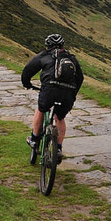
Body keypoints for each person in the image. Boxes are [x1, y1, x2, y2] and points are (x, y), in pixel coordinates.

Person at [21, 33, 84, 163]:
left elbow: (27, 71)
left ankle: (34, 138)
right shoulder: (71, 58)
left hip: (49, 90)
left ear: (47, 45)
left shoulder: (43, 56)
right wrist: (73, 93)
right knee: (59, 117)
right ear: (63, 46)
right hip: (68, 93)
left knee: (41, 109)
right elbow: (80, 78)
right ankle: (59, 148)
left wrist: (27, 84)